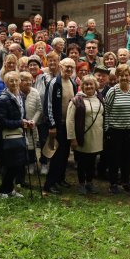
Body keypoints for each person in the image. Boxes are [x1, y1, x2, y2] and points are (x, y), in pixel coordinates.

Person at [103, 64, 130, 194]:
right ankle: (113, 183)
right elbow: (106, 111)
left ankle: (126, 182)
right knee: (114, 158)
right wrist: (107, 129)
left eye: (126, 75)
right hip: (115, 131)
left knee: (128, 158)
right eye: (121, 75)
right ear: (117, 77)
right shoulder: (112, 91)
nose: (124, 78)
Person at [0, 71, 32, 198]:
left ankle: (10, 190)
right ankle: (3, 191)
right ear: (5, 83)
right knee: (10, 164)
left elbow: (22, 115)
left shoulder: (20, 95)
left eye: (16, 80)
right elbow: (2, 121)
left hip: (18, 134)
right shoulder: (3, 99)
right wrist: (20, 123)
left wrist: (26, 122)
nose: (14, 83)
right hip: (7, 137)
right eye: (11, 81)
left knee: (18, 164)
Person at [42, 58, 77, 194]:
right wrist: (52, 125)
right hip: (57, 126)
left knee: (65, 154)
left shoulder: (73, 83)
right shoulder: (54, 83)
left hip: (68, 125)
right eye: (66, 66)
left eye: (71, 67)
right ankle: (49, 184)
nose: (68, 69)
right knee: (56, 155)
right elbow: (48, 105)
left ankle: (60, 179)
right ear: (60, 66)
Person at [67, 75, 104, 194]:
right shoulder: (76, 100)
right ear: (82, 86)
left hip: (96, 137)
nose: (89, 86)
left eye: (91, 84)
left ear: (95, 86)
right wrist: (72, 138)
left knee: (92, 162)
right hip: (82, 137)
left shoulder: (99, 98)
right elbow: (70, 120)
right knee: (82, 162)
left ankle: (90, 183)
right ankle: (81, 184)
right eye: (86, 84)